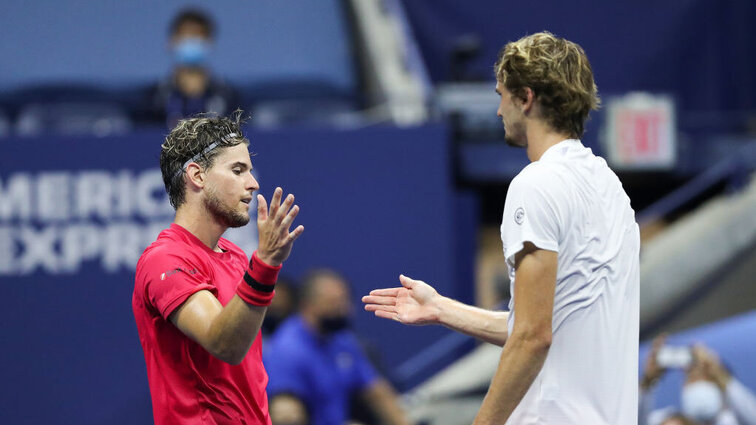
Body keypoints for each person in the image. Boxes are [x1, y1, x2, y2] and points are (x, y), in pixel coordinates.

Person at [363, 31, 639, 425]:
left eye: (501, 95)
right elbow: (547, 324)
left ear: (525, 98)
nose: (498, 111)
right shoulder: (611, 189)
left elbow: (532, 336)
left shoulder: (536, 184)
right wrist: (441, 308)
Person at [132, 111, 304, 424]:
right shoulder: (165, 260)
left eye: (249, 171)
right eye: (238, 170)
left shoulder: (236, 256)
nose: (252, 184)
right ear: (197, 176)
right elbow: (223, 343)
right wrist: (264, 266)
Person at [264, 269, 412, 425]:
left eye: (346, 301)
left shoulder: (341, 339)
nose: (345, 309)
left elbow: (377, 393)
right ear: (309, 305)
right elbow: (286, 417)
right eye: (335, 303)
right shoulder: (286, 351)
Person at [150, 8, 241, 128]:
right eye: (185, 36)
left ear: (210, 42)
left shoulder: (228, 96)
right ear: (172, 41)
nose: (191, 42)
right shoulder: (155, 97)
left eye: (197, 36)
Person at [640, 336, 756, 425]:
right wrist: (647, 381)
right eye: (691, 378)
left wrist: (720, 374)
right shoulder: (669, 420)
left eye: (705, 377)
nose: (696, 383)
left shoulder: (733, 419)